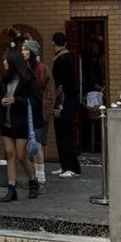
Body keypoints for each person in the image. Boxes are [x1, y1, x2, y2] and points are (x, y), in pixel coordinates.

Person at [0, 49, 42, 201]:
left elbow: (36, 101)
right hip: (6, 122)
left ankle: (32, 180)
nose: (4, 63)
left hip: (21, 123)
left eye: (6, 60)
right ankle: (11, 188)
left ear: (13, 63)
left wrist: (16, 100)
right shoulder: (4, 79)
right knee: (10, 154)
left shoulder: (28, 79)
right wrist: (1, 101)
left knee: (21, 155)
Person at [21, 39, 54, 188]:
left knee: (37, 144)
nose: (23, 52)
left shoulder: (43, 69)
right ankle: (32, 178)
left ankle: (40, 180)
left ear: (33, 52)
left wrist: (46, 110)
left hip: (39, 111)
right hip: (26, 110)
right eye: (22, 49)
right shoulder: (22, 69)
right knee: (27, 145)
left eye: (26, 50)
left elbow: (50, 91)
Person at [51, 31, 81, 177]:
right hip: (67, 102)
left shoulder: (62, 59)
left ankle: (72, 168)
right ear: (65, 43)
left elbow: (60, 87)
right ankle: (64, 165)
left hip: (64, 104)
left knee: (65, 136)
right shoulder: (65, 57)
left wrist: (58, 106)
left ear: (53, 43)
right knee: (61, 136)